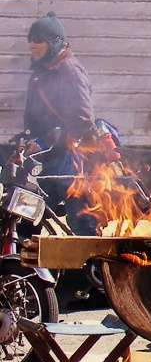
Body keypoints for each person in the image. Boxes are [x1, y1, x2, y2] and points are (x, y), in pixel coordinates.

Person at [24, 12, 96, 233]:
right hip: (48, 160)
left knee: (82, 227)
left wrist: (46, 142)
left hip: (69, 161)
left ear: (54, 42)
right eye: (30, 40)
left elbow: (83, 119)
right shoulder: (41, 71)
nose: (32, 45)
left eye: (38, 40)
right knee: (26, 218)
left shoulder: (70, 71)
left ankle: (88, 267)